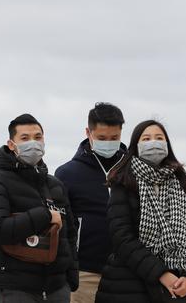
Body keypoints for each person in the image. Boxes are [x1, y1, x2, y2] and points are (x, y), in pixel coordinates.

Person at [96, 120, 186, 303]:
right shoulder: (123, 182)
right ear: (136, 146)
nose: (153, 142)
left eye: (159, 138)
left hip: (180, 285)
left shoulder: (179, 182)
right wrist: (161, 273)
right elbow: (122, 238)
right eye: (146, 138)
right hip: (129, 283)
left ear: (167, 145)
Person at [0, 114, 78, 303]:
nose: (33, 143)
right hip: (15, 287)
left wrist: (70, 277)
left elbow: (70, 234)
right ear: (11, 144)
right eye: (25, 138)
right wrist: (44, 215)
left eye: (38, 137)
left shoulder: (55, 185)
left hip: (57, 287)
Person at [55, 102, 126, 303]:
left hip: (127, 274)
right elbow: (61, 226)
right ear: (88, 132)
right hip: (84, 273)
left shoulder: (133, 170)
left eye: (115, 138)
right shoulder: (67, 173)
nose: (108, 142)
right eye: (102, 138)